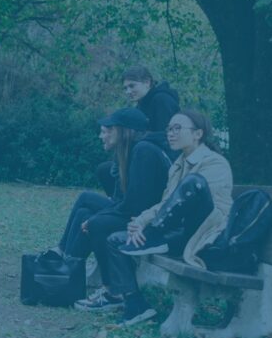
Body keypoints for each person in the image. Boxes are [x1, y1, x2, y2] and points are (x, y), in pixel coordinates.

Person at [100, 110, 233, 326]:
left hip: (205, 236)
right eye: (169, 129)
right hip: (177, 231)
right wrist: (140, 221)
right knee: (116, 240)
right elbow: (165, 203)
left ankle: (153, 237)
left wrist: (153, 229)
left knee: (193, 183)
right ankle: (135, 306)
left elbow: (206, 210)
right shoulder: (178, 165)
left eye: (177, 128)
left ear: (198, 134)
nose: (171, 133)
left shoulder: (214, 163)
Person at [47, 108, 170, 310]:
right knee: (85, 213)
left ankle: (112, 291)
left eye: (108, 130)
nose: (102, 135)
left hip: (150, 222)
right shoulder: (131, 152)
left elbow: (136, 205)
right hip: (138, 215)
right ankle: (68, 277)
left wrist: (98, 218)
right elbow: (124, 200)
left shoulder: (144, 150)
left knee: (95, 220)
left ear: (125, 131)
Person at [97, 66, 181, 195]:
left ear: (147, 82)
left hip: (166, 163)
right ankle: (118, 202)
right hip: (144, 158)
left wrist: (136, 139)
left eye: (132, 86)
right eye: (125, 88)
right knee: (105, 170)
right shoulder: (141, 105)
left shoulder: (162, 100)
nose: (128, 91)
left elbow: (167, 138)